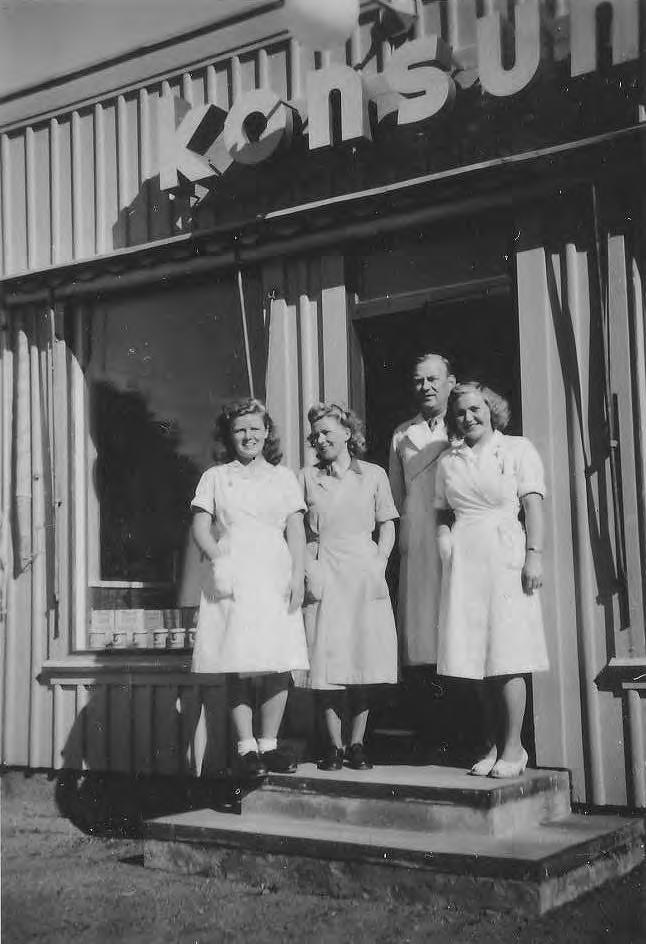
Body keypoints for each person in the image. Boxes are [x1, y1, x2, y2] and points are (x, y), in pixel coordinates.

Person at [434, 381, 549, 778]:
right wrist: (443, 537)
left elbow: (533, 505)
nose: (469, 417)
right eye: (460, 412)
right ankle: (492, 743)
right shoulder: (449, 460)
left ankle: (515, 747)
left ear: (491, 408)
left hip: (506, 555)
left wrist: (534, 556)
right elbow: (441, 511)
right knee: (475, 657)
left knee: (508, 652)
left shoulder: (517, 449)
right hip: (465, 559)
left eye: (475, 408)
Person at [190, 398, 309, 779]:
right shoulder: (215, 476)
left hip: (274, 570)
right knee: (237, 661)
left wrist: (297, 576)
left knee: (278, 660)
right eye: (240, 429)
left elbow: (295, 530)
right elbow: (200, 529)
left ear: (267, 433)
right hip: (234, 573)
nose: (248, 436)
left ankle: (270, 744)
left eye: (255, 428)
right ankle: (246, 747)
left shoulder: (283, 477)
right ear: (229, 434)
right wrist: (219, 560)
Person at [299, 403, 399, 771]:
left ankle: (357, 743)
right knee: (326, 662)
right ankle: (333, 746)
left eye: (327, 432)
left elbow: (387, 522)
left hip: (362, 568)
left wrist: (380, 561)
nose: (320, 439)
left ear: (347, 433)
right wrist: (308, 568)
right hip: (325, 568)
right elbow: (297, 530)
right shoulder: (307, 477)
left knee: (362, 658)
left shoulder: (372, 475)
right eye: (316, 435)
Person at [389, 353, 456, 666]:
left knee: (455, 627)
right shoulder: (402, 434)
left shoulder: (464, 425)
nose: (426, 386)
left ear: (450, 383)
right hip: (417, 537)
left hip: (454, 532)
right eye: (419, 381)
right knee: (421, 634)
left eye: (433, 379)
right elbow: (396, 494)